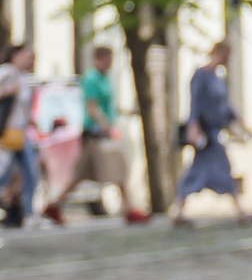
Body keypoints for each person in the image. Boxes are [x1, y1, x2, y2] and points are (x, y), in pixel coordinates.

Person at [47, 43, 144, 224]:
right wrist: (105, 124)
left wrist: (122, 112)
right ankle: (129, 208)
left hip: (99, 133)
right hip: (95, 134)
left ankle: (55, 205)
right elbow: (92, 107)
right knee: (118, 168)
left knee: (79, 175)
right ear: (100, 58)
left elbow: (108, 105)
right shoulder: (91, 78)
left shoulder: (104, 78)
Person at [171, 40, 252, 227]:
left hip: (216, 133)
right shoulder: (201, 76)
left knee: (214, 170)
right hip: (206, 135)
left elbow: (227, 107)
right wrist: (193, 128)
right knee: (211, 171)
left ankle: (179, 211)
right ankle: (240, 211)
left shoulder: (219, 78)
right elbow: (194, 104)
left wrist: (243, 126)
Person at [0, 43, 39, 228]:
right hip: (6, 133)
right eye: (27, 55)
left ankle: (29, 213)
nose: (30, 59)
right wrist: (7, 92)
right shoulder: (6, 72)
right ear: (15, 55)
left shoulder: (23, 78)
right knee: (3, 174)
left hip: (20, 134)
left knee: (30, 172)